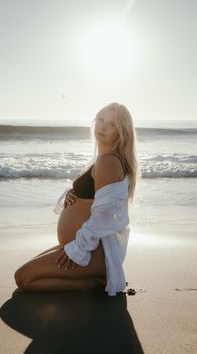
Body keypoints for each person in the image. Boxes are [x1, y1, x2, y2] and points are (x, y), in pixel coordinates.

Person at [14, 102, 137, 296]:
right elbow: (95, 199)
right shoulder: (102, 160)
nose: (103, 126)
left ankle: (90, 284)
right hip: (84, 248)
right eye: (100, 120)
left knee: (24, 278)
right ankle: (90, 278)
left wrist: (77, 249)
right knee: (28, 270)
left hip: (88, 252)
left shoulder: (109, 161)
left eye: (112, 124)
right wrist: (73, 194)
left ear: (122, 132)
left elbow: (104, 217)